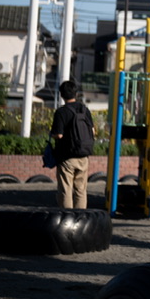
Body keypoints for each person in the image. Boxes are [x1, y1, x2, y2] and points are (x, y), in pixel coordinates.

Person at [50, 80, 95, 210]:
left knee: (66, 190)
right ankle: (80, 219)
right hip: (83, 156)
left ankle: (67, 219)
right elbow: (92, 131)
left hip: (66, 157)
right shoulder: (84, 109)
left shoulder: (61, 112)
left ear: (62, 95)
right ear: (76, 93)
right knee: (81, 190)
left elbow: (58, 135)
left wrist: (52, 134)